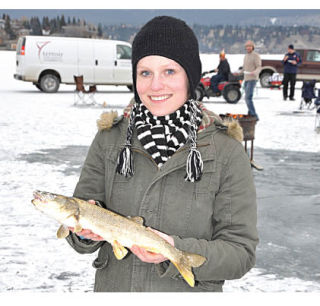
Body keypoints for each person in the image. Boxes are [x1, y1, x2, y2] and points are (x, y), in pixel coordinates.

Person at [66, 16, 258, 292]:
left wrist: (176, 250)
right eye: (145, 73)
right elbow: (80, 221)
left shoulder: (225, 150)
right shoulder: (110, 138)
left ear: (190, 77)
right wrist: (84, 233)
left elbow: (240, 252)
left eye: (169, 71)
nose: (156, 86)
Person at [240, 40, 261, 120]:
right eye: (247, 47)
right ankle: (250, 113)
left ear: (252, 47)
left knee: (248, 97)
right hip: (246, 78)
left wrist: (255, 72)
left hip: (252, 79)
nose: (248, 48)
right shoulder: (246, 56)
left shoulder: (255, 56)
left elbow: (259, 67)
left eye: (249, 46)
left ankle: (254, 114)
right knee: (247, 97)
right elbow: (244, 67)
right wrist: (239, 72)